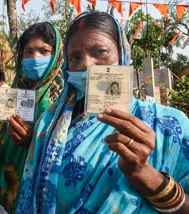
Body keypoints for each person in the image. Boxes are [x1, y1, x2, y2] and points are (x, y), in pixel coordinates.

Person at [16, 12, 189, 214]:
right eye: (74, 57)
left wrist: (143, 173)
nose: (86, 65)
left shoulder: (168, 125)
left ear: (122, 56)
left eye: (100, 52)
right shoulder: (49, 124)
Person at [0, 22, 64, 214]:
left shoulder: (64, 99)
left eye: (44, 51)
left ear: (57, 55)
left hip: (42, 196)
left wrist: (32, 144)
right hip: (6, 190)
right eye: (28, 52)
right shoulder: (13, 92)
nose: (35, 58)